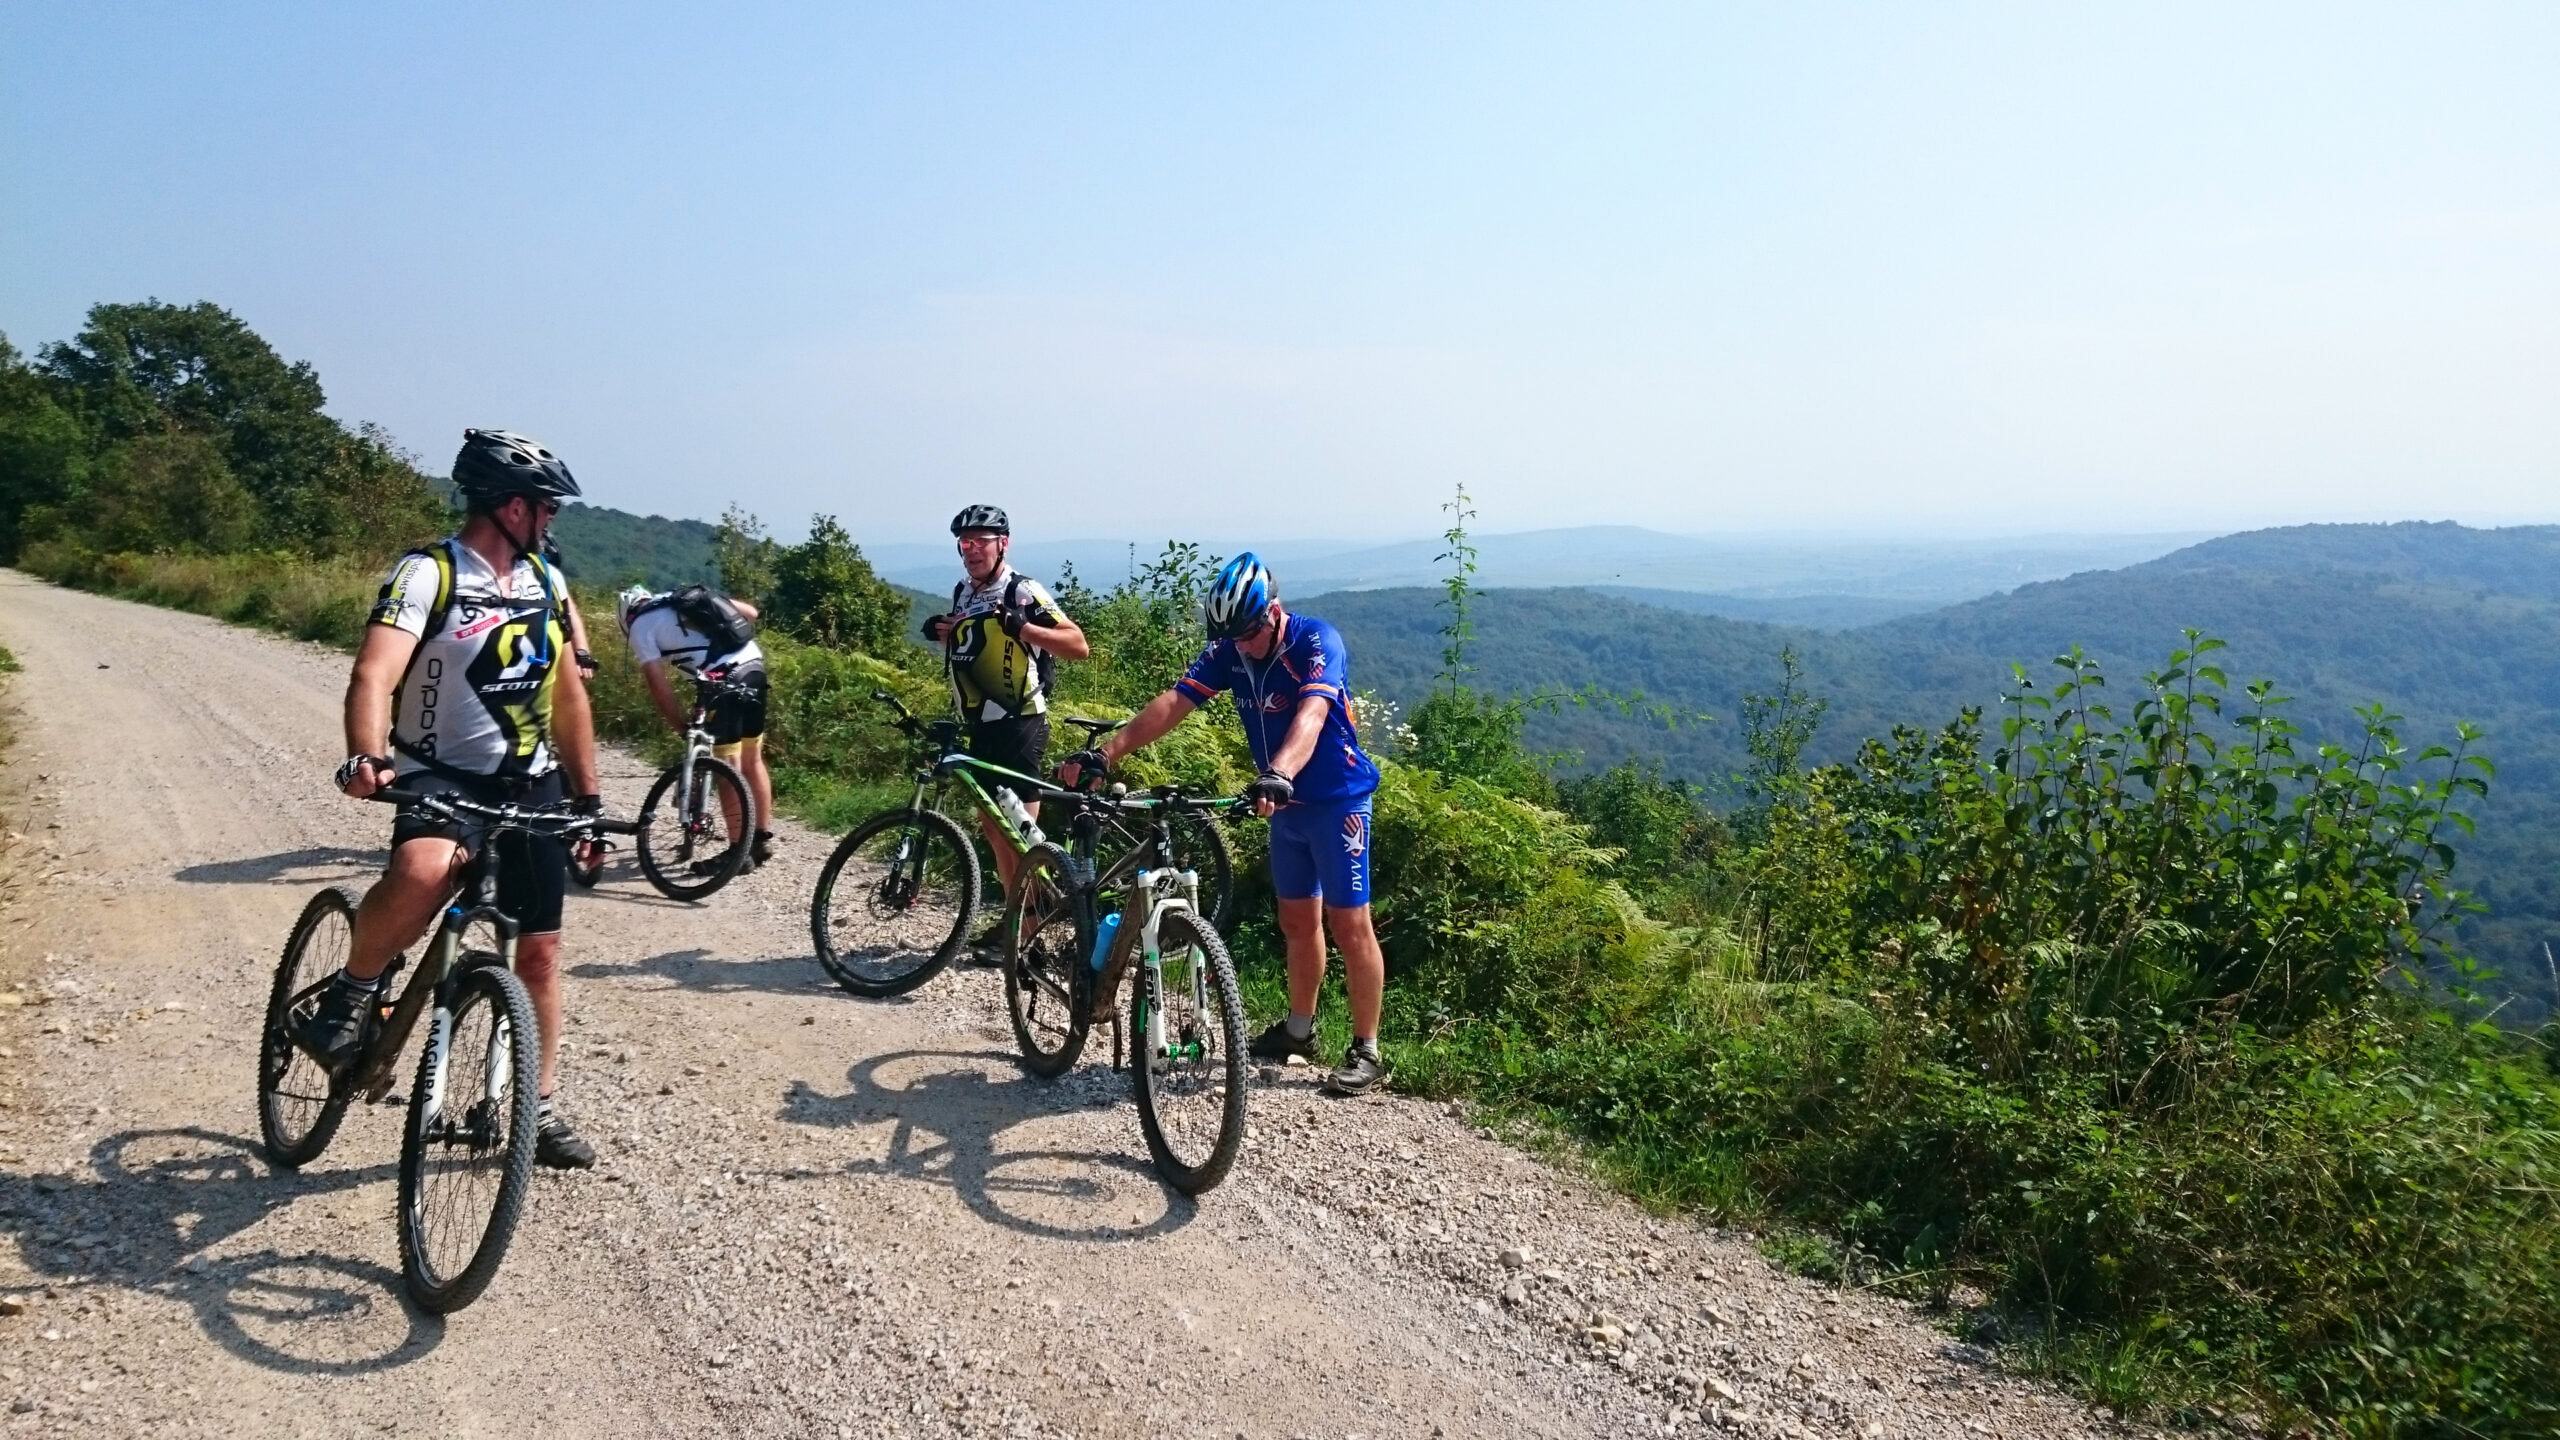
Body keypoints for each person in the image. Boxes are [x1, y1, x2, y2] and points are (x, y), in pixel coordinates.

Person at [302, 427, 606, 1169]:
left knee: (538, 954)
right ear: (509, 506)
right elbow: (374, 673)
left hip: (528, 779)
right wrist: (367, 755)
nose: (552, 519)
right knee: (422, 874)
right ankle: (353, 989)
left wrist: (587, 797)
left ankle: (536, 1108)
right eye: (545, 506)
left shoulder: (545, 582)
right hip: (439, 771)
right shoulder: (428, 573)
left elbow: (567, 696)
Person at [1065, 553, 1390, 1095]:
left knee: (1350, 926)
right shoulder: (1230, 651)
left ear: (1273, 612)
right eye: (1230, 635)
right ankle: (1299, 1030)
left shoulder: (1314, 643)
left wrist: (1279, 772)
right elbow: (1174, 701)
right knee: (1296, 922)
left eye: (1247, 632)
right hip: (1285, 808)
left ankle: (1367, 1049)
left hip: (1338, 804)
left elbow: (1311, 715)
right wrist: (1109, 752)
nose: (1240, 644)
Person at [919, 504, 1089, 959]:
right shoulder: (964, 591)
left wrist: (1025, 626)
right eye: (965, 542)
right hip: (981, 726)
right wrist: (944, 630)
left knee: (1018, 832)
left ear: (1003, 544)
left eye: (981, 541)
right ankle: (1021, 920)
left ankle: (1032, 938)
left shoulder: (1021, 589)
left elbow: (1078, 645)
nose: (971, 550)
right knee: (996, 834)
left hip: (1021, 723)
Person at [616, 582, 776, 867]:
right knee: (753, 759)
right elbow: (751, 612)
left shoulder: (640, 625)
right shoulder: (679, 599)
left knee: (728, 766)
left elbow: (658, 687)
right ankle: (760, 840)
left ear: (625, 619)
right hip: (754, 667)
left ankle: (737, 854)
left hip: (724, 678)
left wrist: (679, 726)